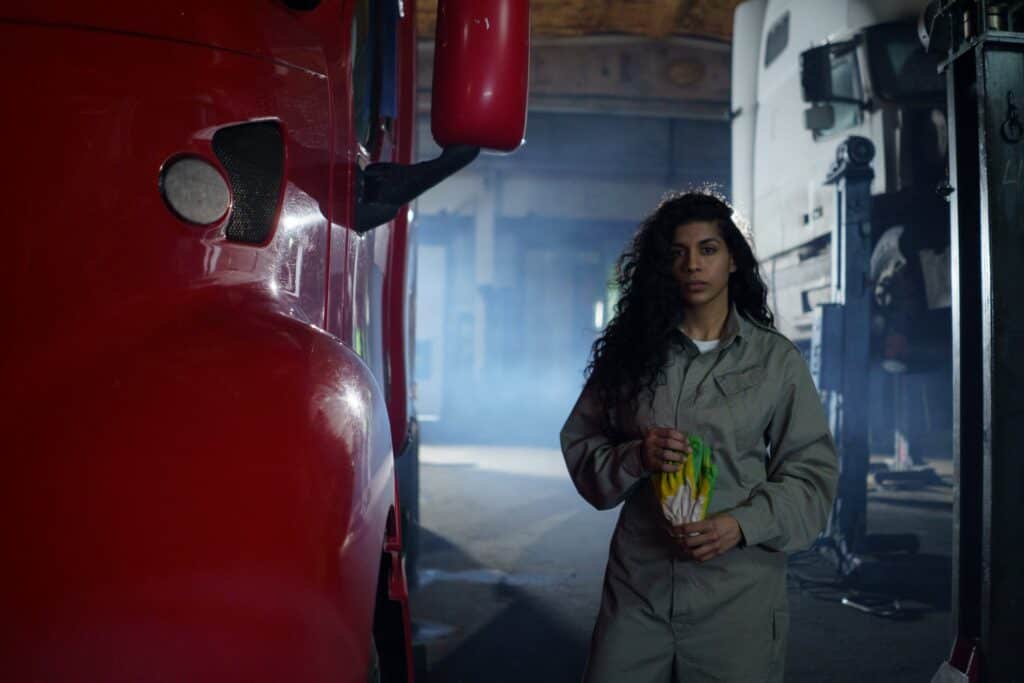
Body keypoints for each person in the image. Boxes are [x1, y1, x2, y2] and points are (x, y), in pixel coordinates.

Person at [560, 191, 839, 682]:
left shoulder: (775, 362)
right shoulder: (633, 355)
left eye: (708, 249)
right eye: (678, 252)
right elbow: (582, 444)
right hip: (639, 589)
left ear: (733, 259)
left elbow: (812, 479)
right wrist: (635, 456)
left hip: (737, 598)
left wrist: (741, 523)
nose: (693, 264)